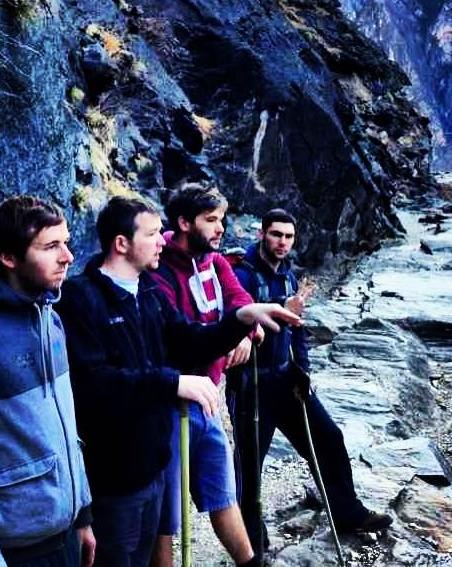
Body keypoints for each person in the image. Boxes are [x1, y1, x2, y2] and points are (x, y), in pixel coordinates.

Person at [56, 196, 300, 566]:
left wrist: (241, 318)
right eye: (153, 234)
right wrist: (172, 383)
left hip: (152, 465)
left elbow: (189, 339)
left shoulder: (148, 291)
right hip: (112, 478)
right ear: (122, 243)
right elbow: (95, 383)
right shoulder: (81, 298)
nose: (162, 241)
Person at [231, 208, 392, 558]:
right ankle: (251, 545)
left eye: (288, 237)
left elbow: (297, 328)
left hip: (286, 378)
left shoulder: (289, 275)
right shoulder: (241, 275)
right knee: (249, 464)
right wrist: (280, 306)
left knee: (328, 437)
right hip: (252, 384)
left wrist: (303, 370)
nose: (282, 243)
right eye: (276, 235)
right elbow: (233, 319)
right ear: (262, 234)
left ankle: (348, 513)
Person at [0, 195, 94, 567]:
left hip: (64, 535)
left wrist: (82, 513)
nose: (68, 256)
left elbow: (67, 425)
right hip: (12, 551)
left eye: (66, 242)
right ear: (8, 257)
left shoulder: (51, 319)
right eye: (51, 246)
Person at [150, 183, 260, 567]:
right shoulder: (160, 269)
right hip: (171, 404)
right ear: (183, 222)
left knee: (222, 492)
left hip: (209, 399)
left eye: (222, 220)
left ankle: (250, 563)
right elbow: (179, 337)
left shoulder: (215, 261)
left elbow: (240, 300)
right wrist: (232, 333)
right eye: (211, 220)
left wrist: (243, 329)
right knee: (166, 515)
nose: (220, 229)